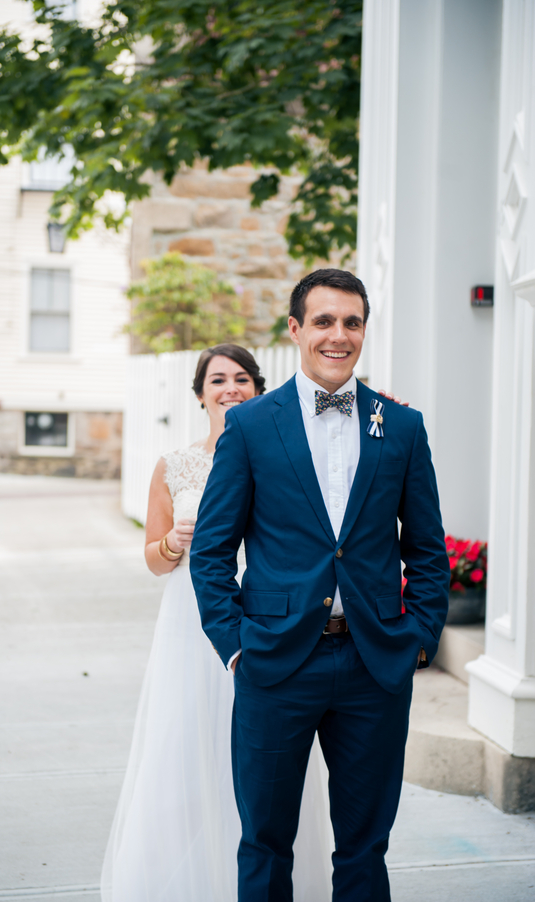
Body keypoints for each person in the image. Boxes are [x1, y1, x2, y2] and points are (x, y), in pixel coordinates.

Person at [190, 270, 450, 902]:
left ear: (364, 330)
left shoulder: (403, 427)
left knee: (365, 846)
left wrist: (417, 638)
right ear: (296, 330)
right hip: (275, 663)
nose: (339, 335)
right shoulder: (251, 425)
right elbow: (212, 550)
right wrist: (236, 646)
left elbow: (427, 549)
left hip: (374, 663)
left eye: (352, 322)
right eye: (325, 321)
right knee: (265, 843)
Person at [101, 344, 334, 902]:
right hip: (190, 625)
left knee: (268, 760)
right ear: (200, 393)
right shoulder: (174, 466)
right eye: (218, 380)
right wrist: (171, 542)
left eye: (242, 379)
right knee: (187, 748)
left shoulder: (285, 453)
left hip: (268, 618)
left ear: (257, 389)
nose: (230, 388)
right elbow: (153, 560)